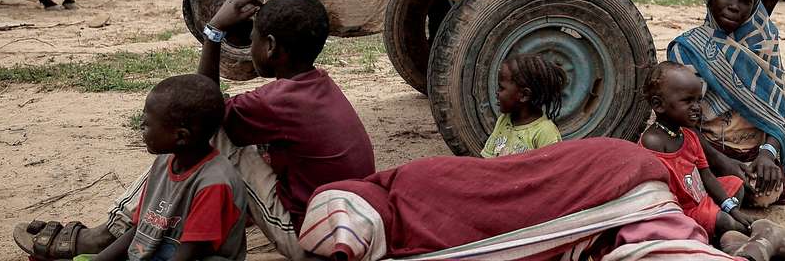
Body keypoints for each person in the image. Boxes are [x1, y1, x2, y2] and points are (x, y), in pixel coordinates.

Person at [13, 0, 376, 261]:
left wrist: (214, 32)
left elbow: (202, 111)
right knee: (245, 144)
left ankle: (110, 232)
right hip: (345, 225)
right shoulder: (314, 86)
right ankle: (173, 219)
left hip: (308, 240)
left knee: (202, 134)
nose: (248, 47)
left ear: (270, 47)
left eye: (250, 40)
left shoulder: (280, 101)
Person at [300, 138, 734, 261]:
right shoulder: (407, 182)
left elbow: (495, 215)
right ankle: (738, 241)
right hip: (612, 163)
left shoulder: (413, 207)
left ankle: (731, 243)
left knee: (650, 241)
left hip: (613, 178)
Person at [77, 74, 248, 261]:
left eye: (148, 123)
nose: (141, 125)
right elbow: (139, 230)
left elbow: (188, 253)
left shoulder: (213, 183)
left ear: (181, 136)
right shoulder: (162, 165)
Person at [669, 0, 785, 207]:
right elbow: (680, 117)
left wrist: (768, 154)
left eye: (745, 0)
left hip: (753, 153)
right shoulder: (688, 47)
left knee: (762, 190)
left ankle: (721, 191)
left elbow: (776, 112)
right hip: (704, 148)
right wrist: (719, 160)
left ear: (755, 6)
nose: (734, 6)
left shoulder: (764, 45)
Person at [640, 61, 753, 242]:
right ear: (658, 105)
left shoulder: (689, 136)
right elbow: (659, 194)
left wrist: (730, 207)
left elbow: (707, 176)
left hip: (700, 197)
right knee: (724, 220)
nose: (696, 107)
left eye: (698, 100)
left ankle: (720, 224)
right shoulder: (653, 142)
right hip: (682, 210)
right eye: (687, 101)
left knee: (735, 184)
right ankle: (750, 231)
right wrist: (726, 212)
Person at [481, 53, 567, 158]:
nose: (497, 92)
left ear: (524, 95)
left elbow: (550, 170)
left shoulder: (544, 132)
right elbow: (487, 160)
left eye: (501, 88)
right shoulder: (504, 120)